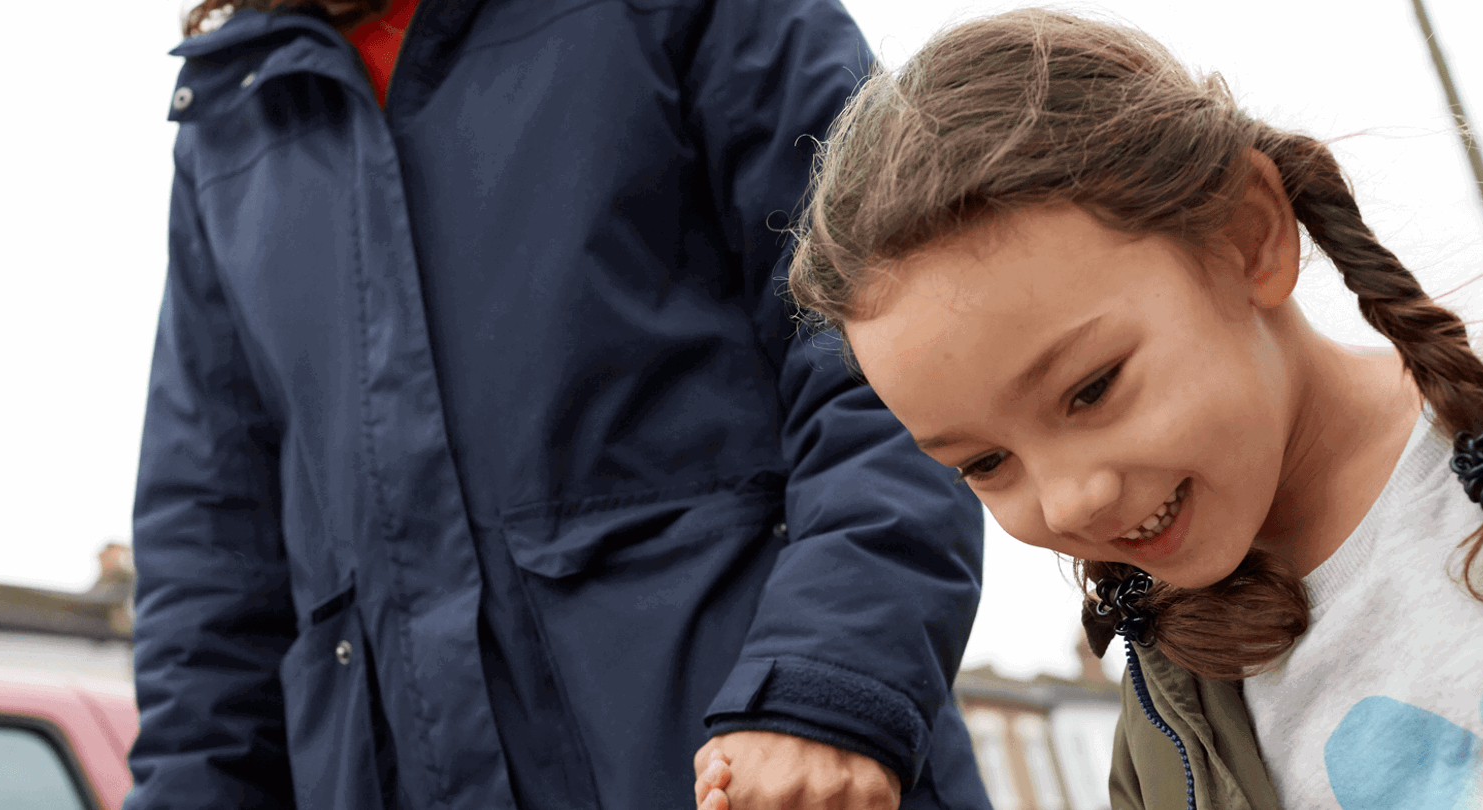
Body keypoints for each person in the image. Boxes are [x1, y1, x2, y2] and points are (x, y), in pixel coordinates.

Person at [775, 9, 1483, 809]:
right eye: (983, 464)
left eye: (1092, 388)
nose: (1066, 506)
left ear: (1248, 237)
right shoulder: (1168, 737)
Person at [124, 0, 993, 808]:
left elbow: (894, 345)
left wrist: (829, 685)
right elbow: (211, 574)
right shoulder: (226, 126)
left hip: (761, 773)